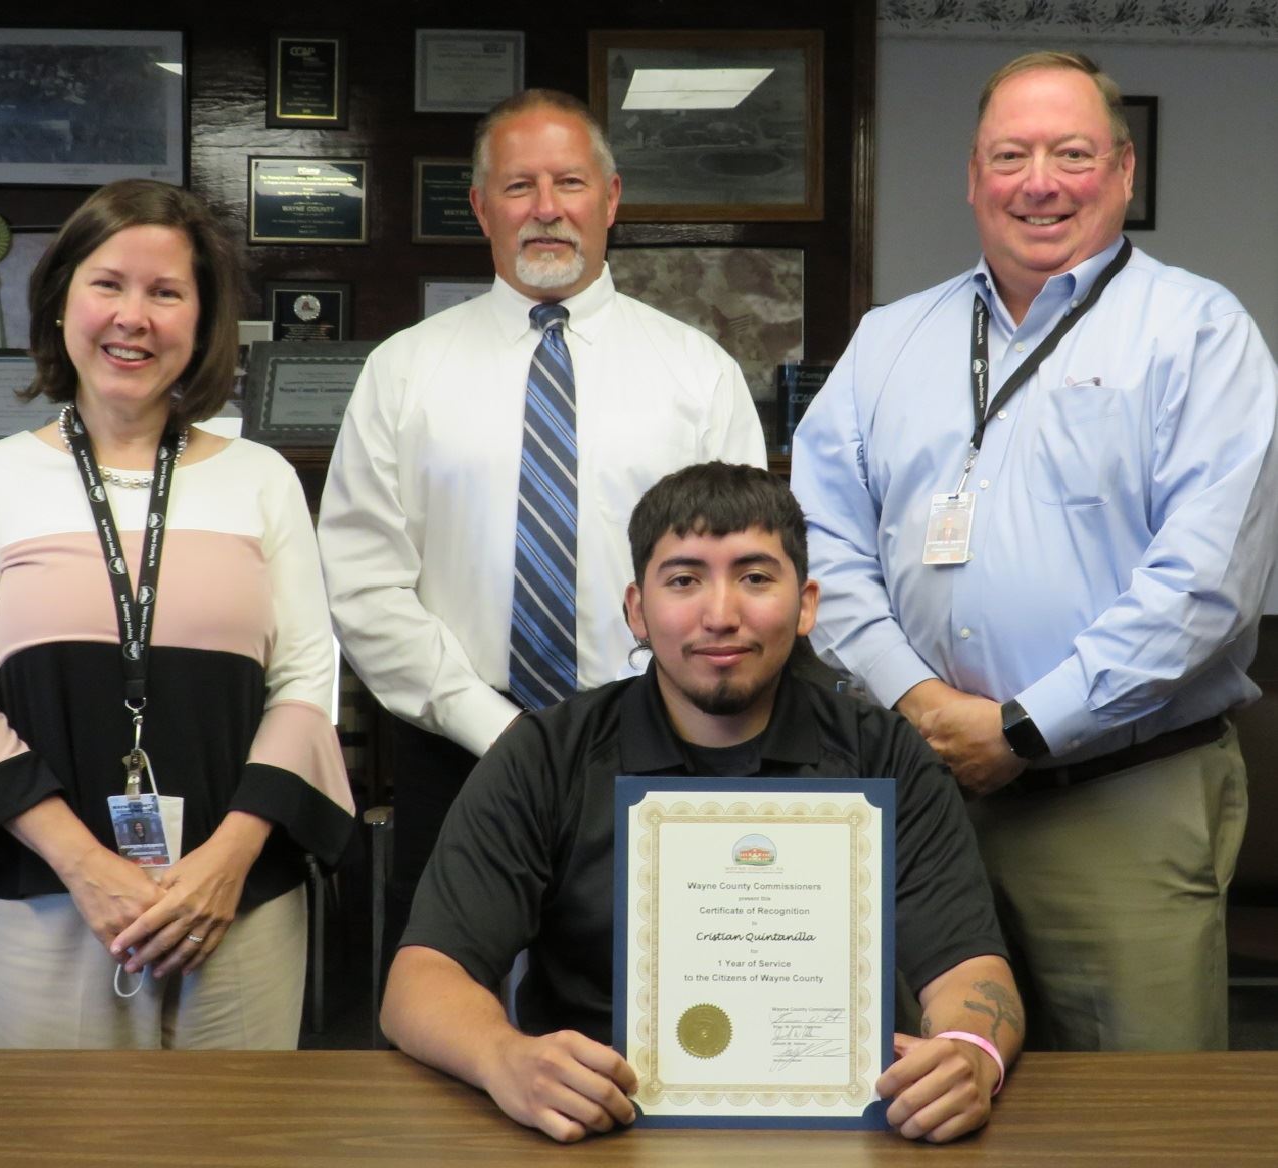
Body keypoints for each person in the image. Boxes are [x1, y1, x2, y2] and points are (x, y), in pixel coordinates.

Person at [791, 51, 1278, 1051]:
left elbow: (1203, 587)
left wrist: (1018, 728)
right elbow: (817, 544)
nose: (1038, 182)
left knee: (1137, 1118)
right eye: (1009, 155)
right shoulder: (889, 341)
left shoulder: (1198, 334)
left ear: (1123, 171)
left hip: (1116, 798)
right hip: (916, 793)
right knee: (921, 1091)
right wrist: (921, 705)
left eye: (1070, 153)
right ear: (972, 176)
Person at [382, 462, 1021, 1145]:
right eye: (684, 580)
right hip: (596, 1124)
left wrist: (968, 1053)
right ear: (636, 608)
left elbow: (970, 967)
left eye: (754, 577)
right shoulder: (548, 755)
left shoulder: (886, 756)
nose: (721, 615)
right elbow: (421, 979)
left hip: (852, 1128)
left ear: (806, 604)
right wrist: (502, 1057)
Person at [319, 89, 765, 964]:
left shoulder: (696, 374)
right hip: (458, 750)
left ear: (611, 198)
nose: (547, 208)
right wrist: (486, 723)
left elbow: (740, 577)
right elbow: (364, 580)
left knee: (657, 1004)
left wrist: (653, 713)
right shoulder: (403, 372)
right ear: (481, 207)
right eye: (519, 187)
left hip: (658, 745)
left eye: (569, 182)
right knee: (453, 1014)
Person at [0, 180, 355, 1049]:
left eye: (166, 293)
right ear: (62, 299)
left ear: (203, 319)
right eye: (108, 284)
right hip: (44, 893)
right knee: (66, 1140)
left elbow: (307, 682)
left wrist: (227, 860)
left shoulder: (259, 478)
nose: (133, 317)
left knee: (238, 1141)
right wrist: (88, 869)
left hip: (238, 894)